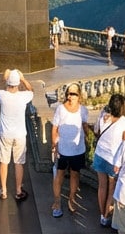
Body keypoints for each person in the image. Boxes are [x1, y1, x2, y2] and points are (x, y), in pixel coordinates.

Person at [49, 83, 91, 218]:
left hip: (78, 149)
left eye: (73, 94)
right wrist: (54, 145)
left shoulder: (83, 110)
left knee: (75, 174)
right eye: (69, 93)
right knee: (59, 175)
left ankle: (71, 199)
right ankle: (57, 201)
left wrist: (89, 139)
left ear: (79, 96)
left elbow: (84, 125)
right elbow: (54, 128)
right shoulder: (60, 109)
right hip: (62, 148)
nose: (70, 96)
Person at [0, 68, 34, 201]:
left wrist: (2, 78)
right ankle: (18, 190)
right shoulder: (24, 96)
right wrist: (23, 78)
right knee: (18, 163)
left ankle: (4, 190)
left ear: (8, 83)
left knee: (4, 161)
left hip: (5, 133)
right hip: (20, 134)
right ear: (18, 83)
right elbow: (31, 90)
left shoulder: (2, 95)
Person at [93, 93, 125, 228]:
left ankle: (101, 215)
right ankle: (106, 216)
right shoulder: (124, 122)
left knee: (102, 186)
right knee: (111, 189)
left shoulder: (103, 115)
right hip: (113, 159)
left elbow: (96, 131)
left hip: (99, 155)